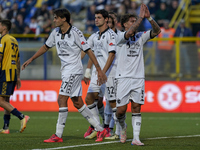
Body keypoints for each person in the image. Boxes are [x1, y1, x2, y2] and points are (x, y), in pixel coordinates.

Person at [21, 8, 107, 143]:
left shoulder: (76, 33)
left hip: (74, 70)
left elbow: (88, 50)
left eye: (56, 18)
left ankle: (58, 135)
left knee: (61, 99)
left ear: (64, 19)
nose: (54, 20)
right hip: (66, 71)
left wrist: (98, 69)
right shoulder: (55, 33)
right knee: (77, 102)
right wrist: (31, 59)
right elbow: (45, 47)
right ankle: (100, 129)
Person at [115, 4, 160, 145]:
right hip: (123, 78)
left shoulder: (141, 36)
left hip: (138, 78)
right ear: (123, 24)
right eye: (131, 21)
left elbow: (157, 31)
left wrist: (149, 18)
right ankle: (122, 127)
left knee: (136, 107)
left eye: (135, 21)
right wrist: (140, 17)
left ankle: (136, 138)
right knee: (121, 111)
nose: (134, 23)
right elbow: (129, 33)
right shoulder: (119, 36)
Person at [82, 9, 116, 142]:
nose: (96, 19)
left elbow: (112, 55)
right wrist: (86, 69)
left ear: (106, 19)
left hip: (110, 74)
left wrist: (103, 72)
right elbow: (87, 51)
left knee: (112, 103)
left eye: (99, 17)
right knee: (89, 99)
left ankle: (115, 130)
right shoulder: (94, 36)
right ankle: (99, 128)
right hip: (98, 74)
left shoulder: (111, 35)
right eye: (95, 17)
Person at [0, 19, 30, 134]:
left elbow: (0, 57)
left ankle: (22, 116)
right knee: (6, 100)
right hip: (12, 73)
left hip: (5, 72)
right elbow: (18, 60)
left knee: (1, 101)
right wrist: (18, 77)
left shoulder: (3, 39)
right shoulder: (14, 40)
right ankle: (6, 127)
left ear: (4, 28)